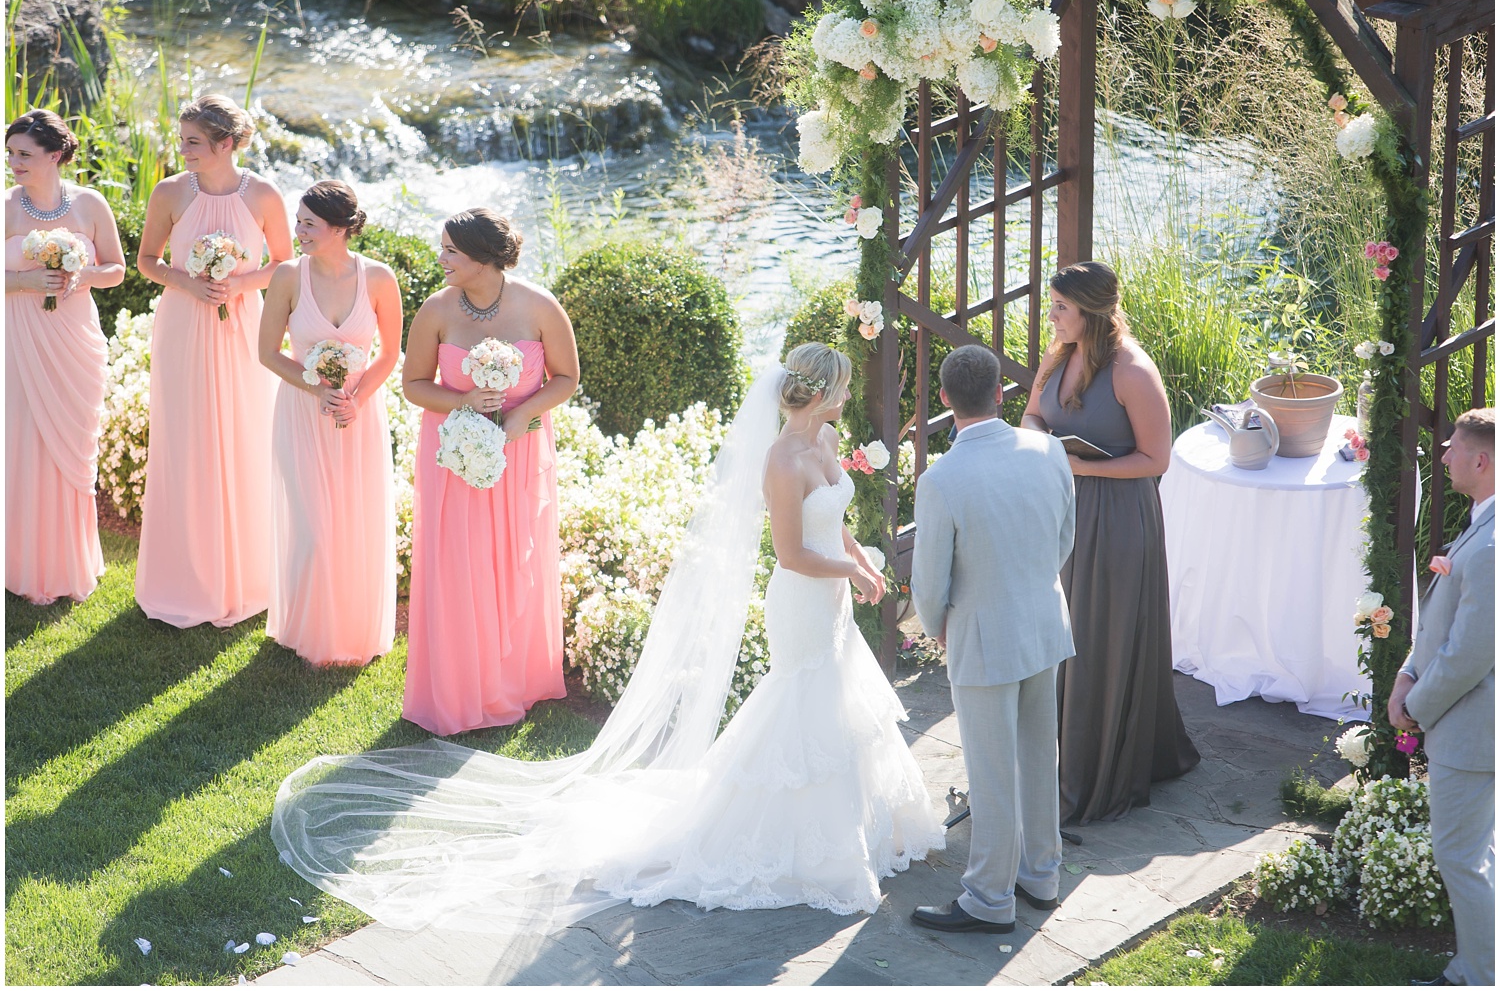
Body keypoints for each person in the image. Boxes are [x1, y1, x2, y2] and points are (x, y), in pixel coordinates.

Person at [272, 343, 944, 931]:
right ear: (822, 392)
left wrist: (857, 562)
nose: (850, 396)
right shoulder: (781, 460)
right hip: (802, 598)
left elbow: (834, 525)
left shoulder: (826, 444)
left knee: (839, 705)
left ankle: (848, 827)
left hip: (831, 595)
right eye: (846, 386)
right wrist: (853, 573)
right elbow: (793, 553)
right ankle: (781, 839)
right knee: (800, 705)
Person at [1021, 260, 1199, 825]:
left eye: (1061, 308)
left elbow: (1157, 460)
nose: (1051, 317)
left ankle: (1095, 771)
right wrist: (1039, 447)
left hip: (1118, 518)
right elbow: (1031, 413)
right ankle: (1053, 751)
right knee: (1058, 629)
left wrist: (1077, 465)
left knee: (1100, 636)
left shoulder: (1132, 372)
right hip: (1061, 510)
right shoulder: (1058, 355)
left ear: (1091, 313)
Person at [908, 344, 1076, 934]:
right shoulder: (1047, 449)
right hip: (1044, 622)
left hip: (981, 635)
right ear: (1002, 393)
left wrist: (936, 626)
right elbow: (1064, 538)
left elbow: (929, 581)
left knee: (991, 769)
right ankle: (1042, 875)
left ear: (946, 399)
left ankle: (988, 899)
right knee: (1037, 755)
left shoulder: (942, 479)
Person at [400, 208, 576, 734]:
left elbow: (566, 377)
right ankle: (459, 685)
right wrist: (464, 399)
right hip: (454, 457)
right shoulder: (435, 310)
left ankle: (515, 679)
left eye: (452, 250)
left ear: (482, 257)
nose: (442, 258)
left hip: (519, 453)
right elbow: (413, 385)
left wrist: (522, 413)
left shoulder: (541, 306)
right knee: (458, 563)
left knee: (512, 561)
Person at [134, 94, 292, 628]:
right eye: (182, 140)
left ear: (226, 144)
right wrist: (191, 283)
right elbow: (147, 261)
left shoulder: (265, 195)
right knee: (187, 440)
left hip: (246, 325)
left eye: (193, 142)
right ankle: (184, 577)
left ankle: (248, 575)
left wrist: (240, 283)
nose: (183, 151)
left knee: (245, 438)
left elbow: (285, 266)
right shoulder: (170, 192)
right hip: (183, 324)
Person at [258, 181, 402, 666]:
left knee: (354, 525)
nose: (298, 231)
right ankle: (306, 632)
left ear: (340, 229)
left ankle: (353, 631)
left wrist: (355, 400)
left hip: (358, 419)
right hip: (302, 414)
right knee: (313, 529)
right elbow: (266, 353)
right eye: (298, 221)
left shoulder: (378, 279)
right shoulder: (287, 277)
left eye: (309, 224)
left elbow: (389, 355)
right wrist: (316, 388)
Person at [1390, 408, 1494, 988]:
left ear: (1482, 461)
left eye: (1453, 447)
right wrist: (1407, 673)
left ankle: (1477, 975)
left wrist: (1415, 707)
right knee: (1480, 851)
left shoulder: (1492, 545)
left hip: (1472, 727)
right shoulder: (1482, 522)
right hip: (1462, 718)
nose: (1444, 455)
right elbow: (1442, 625)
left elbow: (1469, 654)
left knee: (1461, 856)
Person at [5, 110, 126, 604]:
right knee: (23, 442)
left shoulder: (90, 203)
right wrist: (28, 282)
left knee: (74, 447)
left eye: (24, 154)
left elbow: (117, 269)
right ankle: (19, 562)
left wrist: (83, 276)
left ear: (55, 155)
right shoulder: (5, 207)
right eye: (10, 153)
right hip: (18, 340)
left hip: (75, 340)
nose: (13, 162)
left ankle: (68, 560)